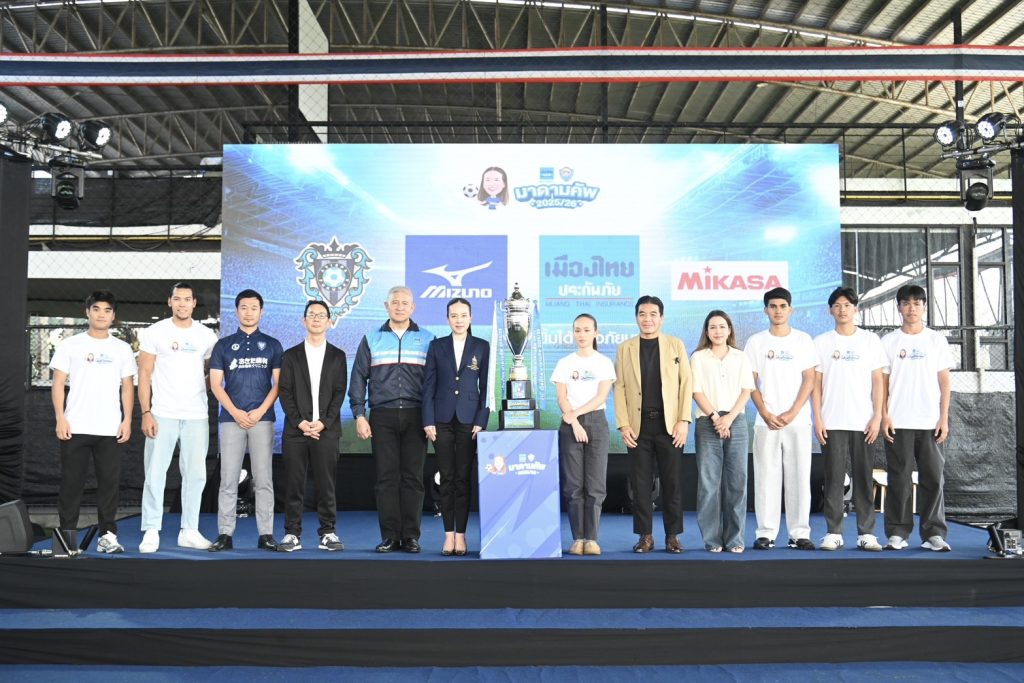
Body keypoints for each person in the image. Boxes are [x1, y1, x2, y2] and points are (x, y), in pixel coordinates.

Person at [349, 286, 436, 553]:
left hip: (416, 415)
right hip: (382, 416)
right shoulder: (371, 338)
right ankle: (389, 536)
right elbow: (358, 378)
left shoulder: (428, 339)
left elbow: (435, 382)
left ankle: (411, 537)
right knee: (386, 478)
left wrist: (432, 418)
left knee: (413, 478)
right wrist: (359, 415)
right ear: (386, 306)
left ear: (413, 307)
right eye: (394, 302)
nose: (399, 307)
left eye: (404, 303)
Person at [49, 290, 136, 554]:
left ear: (113, 315)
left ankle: (107, 537)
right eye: (96, 309)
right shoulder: (70, 345)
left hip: (110, 429)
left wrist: (127, 420)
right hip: (75, 426)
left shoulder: (122, 348)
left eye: (107, 310)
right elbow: (58, 383)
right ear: (87, 312)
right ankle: (66, 541)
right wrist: (60, 418)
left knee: (109, 485)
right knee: (71, 485)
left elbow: (127, 387)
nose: (101, 315)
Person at [137, 282, 219, 553]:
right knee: (155, 473)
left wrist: (198, 388)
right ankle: (151, 529)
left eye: (187, 299)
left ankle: (189, 530)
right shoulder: (155, 332)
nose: (182, 303)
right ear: (169, 302)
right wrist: (146, 412)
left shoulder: (206, 336)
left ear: (194, 303)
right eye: (177, 299)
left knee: (195, 475)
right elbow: (144, 374)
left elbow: (213, 374)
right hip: (162, 413)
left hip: (196, 414)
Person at [613, 295, 693, 553]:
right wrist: (623, 424)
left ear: (662, 318)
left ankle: (673, 536)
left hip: (670, 427)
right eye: (642, 314)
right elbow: (619, 388)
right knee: (640, 485)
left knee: (672, 483)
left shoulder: (675, 344)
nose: (647, 319)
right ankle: (645, 536)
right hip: (638, 428)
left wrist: (683, 420)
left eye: (652, 314)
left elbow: (686, 384)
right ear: (636, 317)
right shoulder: (625, 348)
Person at [207, 289, 284, 552]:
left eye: (253, 308)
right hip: (231, 419)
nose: (248, 312)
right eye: (243, 307)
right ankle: (225, 534)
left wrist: (260, 411)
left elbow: (278, 384)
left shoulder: (272, 344)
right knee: (228, 479)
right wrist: (236, 411)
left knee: (263, 479)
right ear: (236, 311)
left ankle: (266, 534)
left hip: (262, 419)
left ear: (261, 312)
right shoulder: (223, 345)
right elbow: (216, 384)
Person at [812, 287, 888, 552]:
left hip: (863, 422)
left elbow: (878, 381)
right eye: (837, 305)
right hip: (831, 421)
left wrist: (877, 416)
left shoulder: (870, 341)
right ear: (830, 310)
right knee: (833, 479)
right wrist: (817, 418)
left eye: (847, 305)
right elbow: (816, 385)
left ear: (856, 309)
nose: (842, 309)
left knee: (864, 478)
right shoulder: (821, 342)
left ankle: (866, 533)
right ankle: (833, 532)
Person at [881, 284, 953, 552]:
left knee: (933, 478)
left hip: (930, 421)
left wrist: (943, 418)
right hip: (897, 421)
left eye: (917, 303)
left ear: (924, 307)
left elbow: (945, 382)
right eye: (906, 303)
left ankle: (933, 533)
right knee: (898, 479)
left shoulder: (936, 340)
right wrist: (884, 416)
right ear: (899, 307)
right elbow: (882, 384)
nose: (912, 308)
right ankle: (897, 532)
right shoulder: (888, 342)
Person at [744, 287, 817, 551]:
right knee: (766, 477)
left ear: (790, 309)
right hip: (766, 421)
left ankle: (799, 533)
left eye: (782, 306)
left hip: (797, 421)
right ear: (765, 310)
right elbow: (750, 382)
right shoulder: (756, 342)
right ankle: (766, 532)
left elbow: (809, 379)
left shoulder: (803, 340)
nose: (778, 311)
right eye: (773, 306)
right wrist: (765, 412)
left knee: (799, 477)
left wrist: (793, 411)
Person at [277, 300, 348, 552]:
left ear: (329, 321)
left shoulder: (338, 356)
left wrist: (323, 423)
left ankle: (328, 532)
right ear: (303, 320)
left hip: (326, 431)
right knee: (294, 484)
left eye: (321, 315)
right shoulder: (290, 355)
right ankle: (291, 534)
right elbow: (284, 392)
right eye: (311, 315)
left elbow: (339, 393)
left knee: (326, 485)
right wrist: (300, 422)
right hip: (296, 431)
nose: (316, 319)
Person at [422, 298, 490, 556]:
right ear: (447, 318)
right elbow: (428, 385)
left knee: (462, 479)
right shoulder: (436, 346)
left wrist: (481, 420)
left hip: (469, 422)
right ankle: (447, 535)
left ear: (470, 318)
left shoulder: (481, 346)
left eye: (463, 315)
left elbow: (487, 388)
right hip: (440, 420)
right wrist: (427, 420)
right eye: (454, 315)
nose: (459, 320)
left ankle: (461, 536)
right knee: (447, 477)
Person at [690, 310, 754, 554]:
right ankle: (712, 540)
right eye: (713, 327)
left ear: (729, 330)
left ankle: (735, 539)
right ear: (707, 332)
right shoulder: (698, 357)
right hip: (708, 422)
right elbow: (696, 391)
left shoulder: (740, 357)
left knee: (737, 482)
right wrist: (716, 417)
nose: (717, 331)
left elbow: (746, 390)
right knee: (709, 484)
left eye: (722, 326)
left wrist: (729, 417)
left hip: (735, 421)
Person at [551, 313, 616, 556]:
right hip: (570, 426)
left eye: (587, 330)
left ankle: (592, 538)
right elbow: (561, 397)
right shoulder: (564, 363)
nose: (582, 334)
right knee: (573, 485)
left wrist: (575, 416)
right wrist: (574, 422)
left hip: (596, 423)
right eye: (577, 330)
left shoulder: (604, 362)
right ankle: (578, 538)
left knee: (595, 485)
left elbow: (601, 397)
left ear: (596, 333)